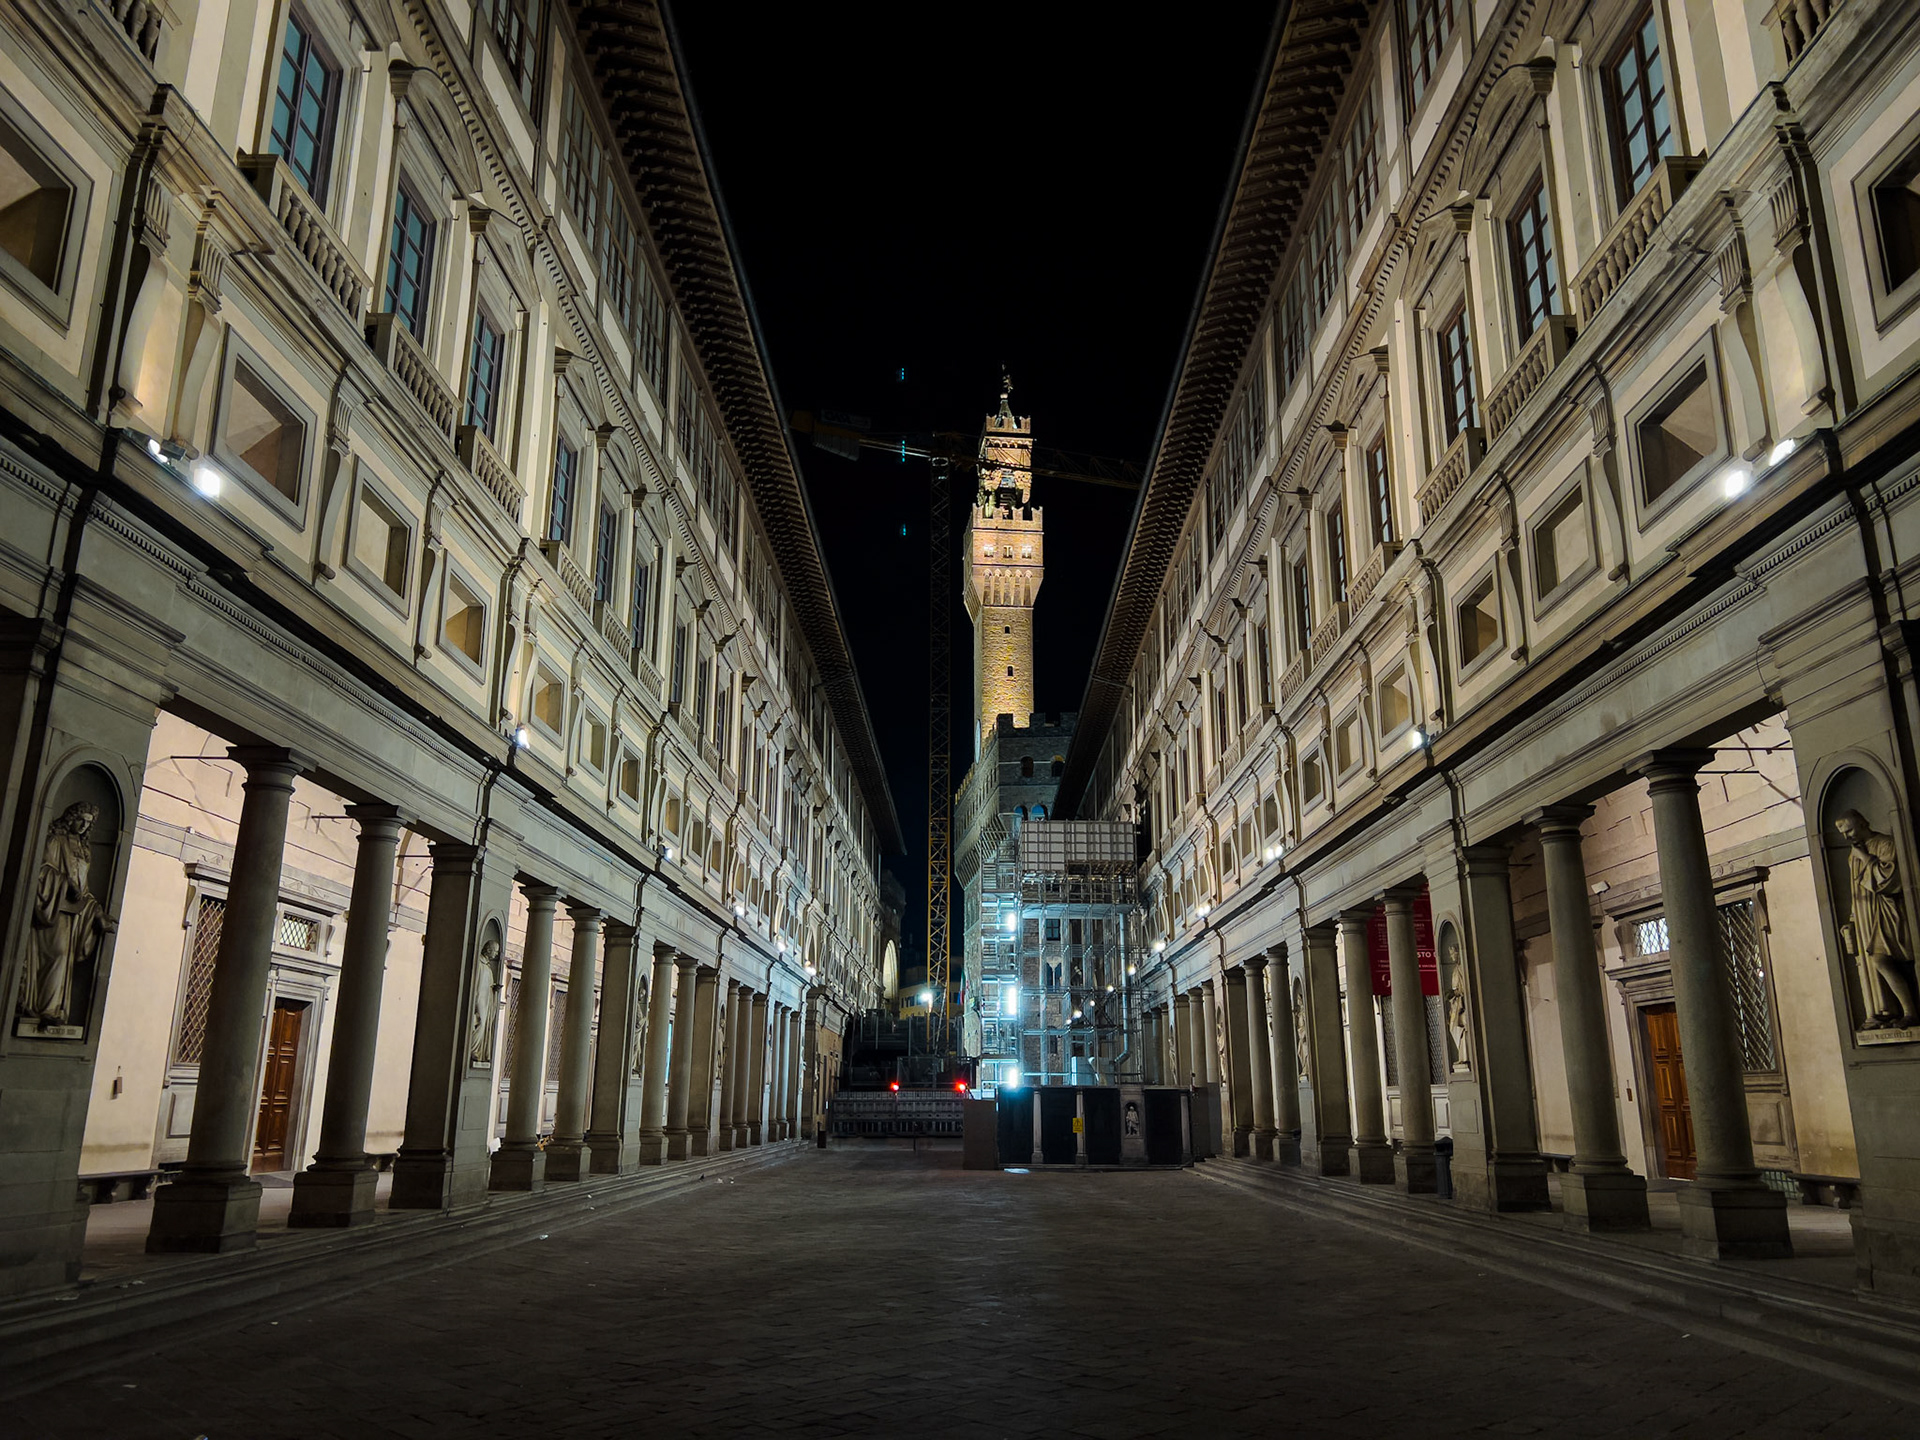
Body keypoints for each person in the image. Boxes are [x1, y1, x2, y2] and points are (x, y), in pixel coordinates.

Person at [23, 802, 110, 1028]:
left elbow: (84, 890)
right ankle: (45, 1009)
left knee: (65, 960)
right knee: (58, 954)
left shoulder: (83, 850)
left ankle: (54, 1010)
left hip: (73, 915)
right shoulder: (55, 841)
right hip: (53, 909)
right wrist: (64, 883)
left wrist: (97, 912)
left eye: (88, 823)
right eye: (81, 819)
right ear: (71, 817)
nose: (83, 826)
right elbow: (41, 870)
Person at [1837, 809, 1919, 1028]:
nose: (1847, 837)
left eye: (1850, 830)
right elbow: (1856, 891)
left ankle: (1910, 1012)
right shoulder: (1852, 855)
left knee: (1884, 960)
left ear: (1864, 823)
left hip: (1889, 911)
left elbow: (1889, 880)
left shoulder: (1885, 844)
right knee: (1877, 961)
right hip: (1867, 917)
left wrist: (1863, 857)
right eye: (1843, 834)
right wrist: (1853, 920)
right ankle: (1894, 1011)